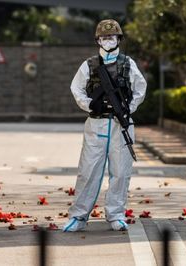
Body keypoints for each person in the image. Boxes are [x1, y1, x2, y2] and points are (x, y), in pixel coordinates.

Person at [63, 19, 147, 232]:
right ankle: (78, 216)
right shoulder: (89, 65)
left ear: (119, 39)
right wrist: (91, 104)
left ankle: (116, 215)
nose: (108, 41)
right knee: (88, 171)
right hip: (96, 125)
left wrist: (129, 108)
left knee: (121, 172)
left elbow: (140, 88)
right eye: (104, 37)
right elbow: (76, 89)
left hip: (121, 125)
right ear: (97, 40)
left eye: (112, 37)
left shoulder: (128, 64)